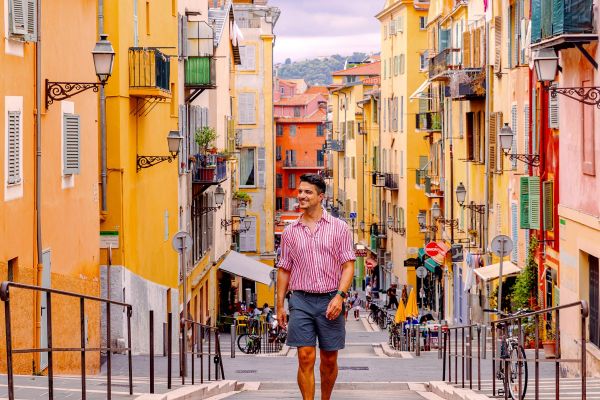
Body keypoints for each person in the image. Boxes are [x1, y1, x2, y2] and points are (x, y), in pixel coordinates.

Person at [276, 173, 355, 400]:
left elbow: (348, 266)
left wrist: (339, 296)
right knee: (305, 356)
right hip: (300, 299)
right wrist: (279, 305)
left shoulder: (339, 228)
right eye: (300, 191)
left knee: (329, 359)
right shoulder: (290, 232)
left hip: (331, 299)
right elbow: (284, 269)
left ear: (321, 196)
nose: (301, 196)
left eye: (307, 192)